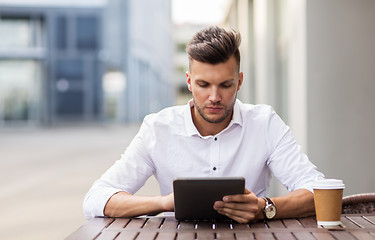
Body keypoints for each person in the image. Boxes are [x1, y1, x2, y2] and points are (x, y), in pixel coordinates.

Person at [84, 26, 324, 223]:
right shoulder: (158, 128)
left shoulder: (265, 123)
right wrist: (166, 203)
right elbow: (96, 199)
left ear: (239, 82)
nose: (214, 97)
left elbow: (320, 192)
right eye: (204, 85)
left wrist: (265, 207)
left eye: (225, 85)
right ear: (189, 82)